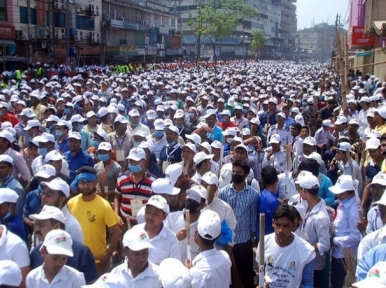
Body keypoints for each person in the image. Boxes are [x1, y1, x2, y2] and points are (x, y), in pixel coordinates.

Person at [67, 166, 121, 276]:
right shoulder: (70, 203)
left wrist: (107, 256)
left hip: (96, 261)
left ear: (95, 182)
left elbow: (116, 232)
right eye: (82, 182)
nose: (85, 186)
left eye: (89, 182)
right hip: (74, 258)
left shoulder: (104, 206)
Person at [29, 205, 98, 284]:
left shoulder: (81, 252)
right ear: (43, 253)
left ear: (57, 226)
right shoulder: (35, 253)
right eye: (36, 225)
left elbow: (92, 283)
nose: (37, 229)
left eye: (41, 225)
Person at [218, 159, 258, 288]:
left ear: (245, 175)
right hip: (227, 239)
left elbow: (253, 217)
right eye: (233, 171)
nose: (235, 174)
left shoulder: (253, 194)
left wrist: (252, 238)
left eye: (238, 172)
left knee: (246, 273)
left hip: (243, 240)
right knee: (229, 274)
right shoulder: (223, 193)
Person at [256, 204, 316, 288]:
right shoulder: (264, 243)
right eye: (278, 225)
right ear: (273, 223)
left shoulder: (306, 251)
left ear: (294, 225)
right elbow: (262, 271)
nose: (281, 230)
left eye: (286, 226)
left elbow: (308, 284)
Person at [296, 171, 331, 288]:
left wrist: (305, 246)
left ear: (304, 191)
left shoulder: (320, 217)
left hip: (315, 265)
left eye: (300, 189)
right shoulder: (310, 206)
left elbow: (325, 245)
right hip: (306, 261)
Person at [329, 174, 362, 288]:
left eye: (342, 193)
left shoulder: (354, 211)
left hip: (346, 256)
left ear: (351, 193)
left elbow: (356, 237)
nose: (338, 195)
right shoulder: (342, 203)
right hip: (338, 253)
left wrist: (335, 240)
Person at [186, 210, 231, 288]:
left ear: (196, 233)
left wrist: (188, 272)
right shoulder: (225, 258)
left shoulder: (196, 272)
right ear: (219, 235)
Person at [132, 195, 181, 264]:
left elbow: (175, 266)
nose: (150, 217)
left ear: (164, 216)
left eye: (156, 214)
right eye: (148, 212)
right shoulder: (134, 232)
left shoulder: (171, 239)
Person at [115, 147, 156, 226]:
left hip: (145, 224)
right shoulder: (121, 179)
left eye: (136, 161)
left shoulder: (153, 181)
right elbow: (117, 197)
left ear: (143, 161)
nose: (132, 163)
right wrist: (116, 215)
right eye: (130, 161)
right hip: (125, 223)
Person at [41, 177, 84, 243]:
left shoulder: (72, 227)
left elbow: (78, 252)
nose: (43, 197)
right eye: (43, 193)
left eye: (49, 195)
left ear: (62, 199)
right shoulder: (40, 217)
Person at [257, 165, 281, 239]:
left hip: (260, 235)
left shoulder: (263, 194)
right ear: (277, 179)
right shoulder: (273, 202)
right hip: (268, 238)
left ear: (263, 181)